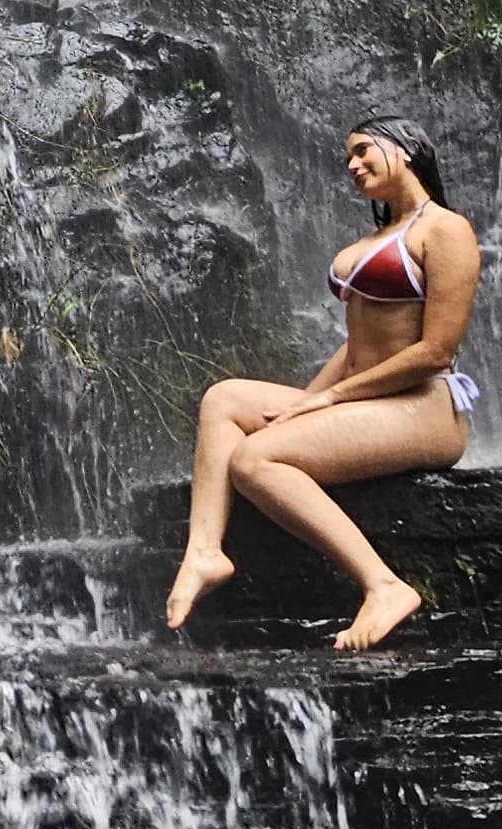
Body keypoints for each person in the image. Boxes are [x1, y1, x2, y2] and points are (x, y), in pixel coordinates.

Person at [164, 119, 479, 651]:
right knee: (225, 400)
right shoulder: (378, 237)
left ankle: (383, 586)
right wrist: (309, 403)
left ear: (404, 148)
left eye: (362, 151)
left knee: (255, 459)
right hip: (367, 400)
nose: (353, 166)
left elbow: (434, 352)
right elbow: (353, 349)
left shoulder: (445, 229)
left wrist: (329, 400)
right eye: (347, 160)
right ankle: (205, 551)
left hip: (426, 407)